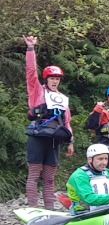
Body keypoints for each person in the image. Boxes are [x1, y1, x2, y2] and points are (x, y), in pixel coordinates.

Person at [22, 35, 75, 210]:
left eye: (57, 78)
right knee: (35, 174)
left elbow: (66, 121)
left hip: (54, 139)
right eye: (52, 78)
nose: (55, 81)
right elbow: (30, 72)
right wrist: (30, 49)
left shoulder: (63, 98)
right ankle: (33, 209)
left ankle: (50, 211)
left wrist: (71, 141)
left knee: (50, 177)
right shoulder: (37, 91)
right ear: (46, 79)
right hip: (38, 136)